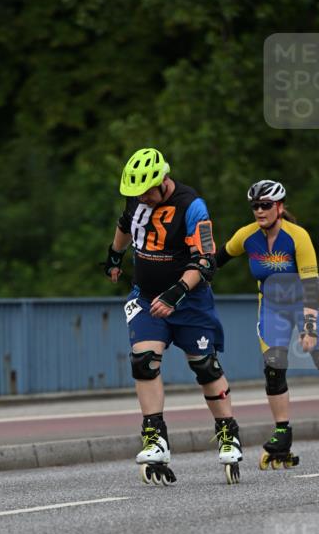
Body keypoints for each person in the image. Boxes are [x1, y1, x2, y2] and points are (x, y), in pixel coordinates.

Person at [215, 179, 319, 468]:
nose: (259, 211)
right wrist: (194, 274)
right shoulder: (246, 236)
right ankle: (282, 433)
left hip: (305, 302)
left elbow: (310, 284)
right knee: (273, 365)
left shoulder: (298, 237)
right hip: (272, 307)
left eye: (266, 205)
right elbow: (219, 258)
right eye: (255, 206)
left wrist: (309, 328)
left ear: (279, 207)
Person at [103, 147, 242, 485]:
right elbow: (124, 225)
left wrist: (176, 292)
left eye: (147, 192)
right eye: (136, 194)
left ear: (162, 181)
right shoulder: (138, 199)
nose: (142, 199)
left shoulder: (192, 206)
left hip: (188, 301)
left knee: (204, 366)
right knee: (144, 360)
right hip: (147, 297)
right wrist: (114, 256)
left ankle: (228, 432)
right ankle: (155, 438)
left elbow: (206, 260)